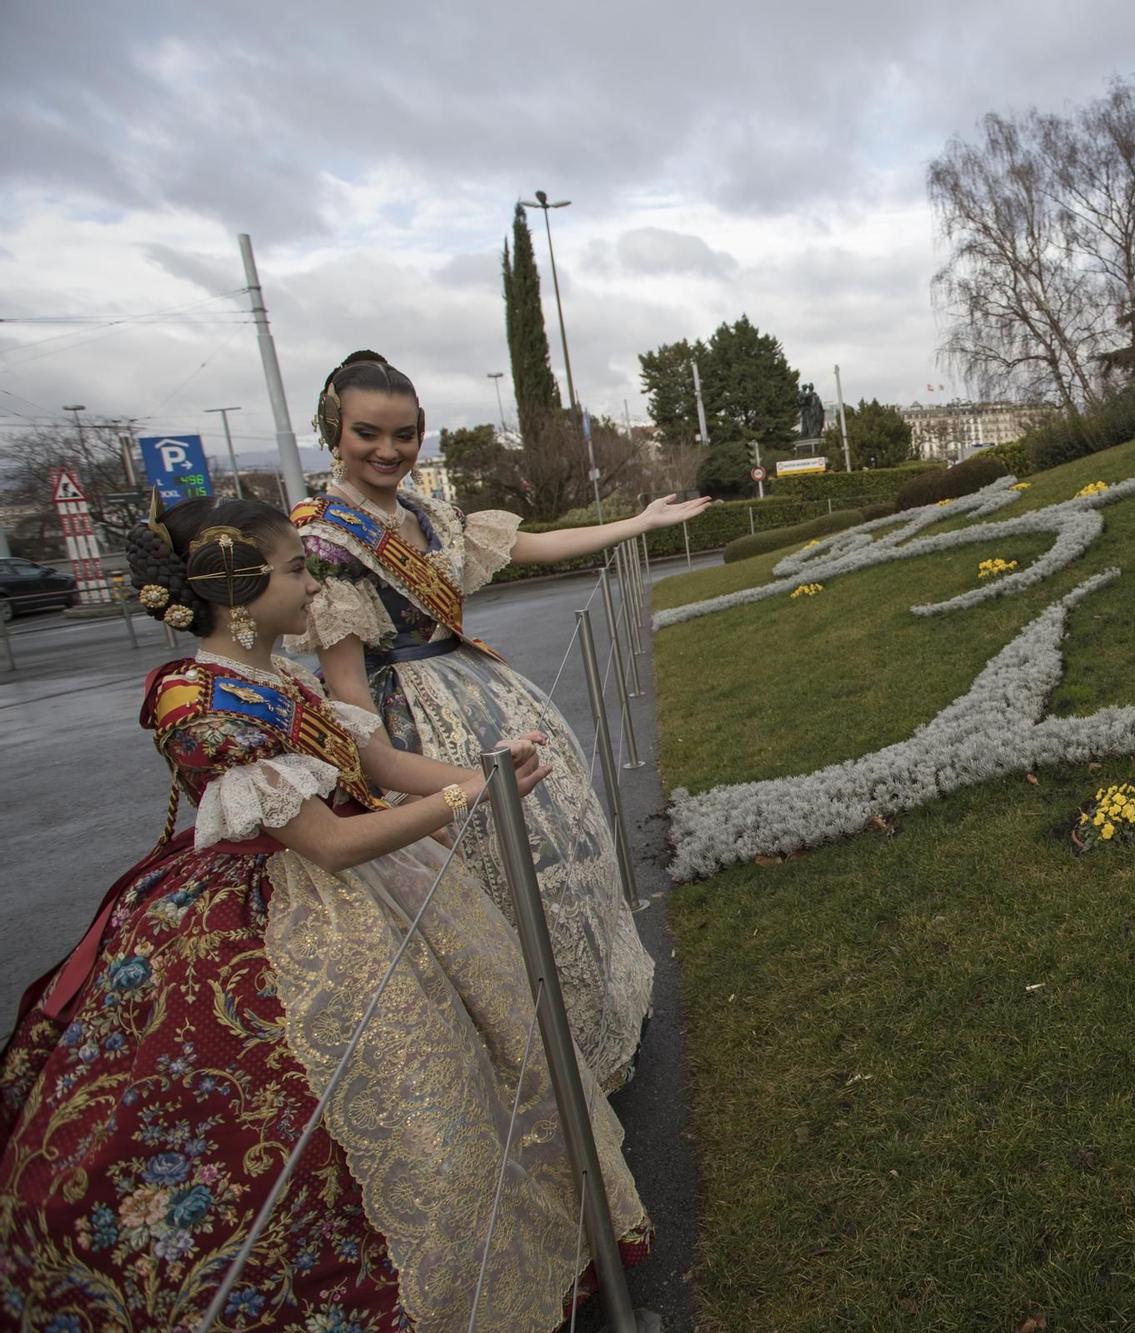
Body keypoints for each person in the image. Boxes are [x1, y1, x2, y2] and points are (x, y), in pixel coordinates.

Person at [0, 496, 650, 1331]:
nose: (314, 586)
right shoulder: (195, 702)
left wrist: (484, 771)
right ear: (236, 586)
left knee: (457, 1083)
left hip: (373, 888)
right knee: (346, 1117)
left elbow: (369, 760)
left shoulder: (277, 675)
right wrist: (467, 794)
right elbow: (328, 844)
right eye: (296, 569)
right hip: (284, 918)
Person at [289, 351, 711, 1093]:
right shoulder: (323, 540)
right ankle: (536, 1080)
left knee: (561, 862)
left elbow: (528, 545)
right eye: (368, 433)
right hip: (413, 729)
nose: (388, 450)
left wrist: (637, 522)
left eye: (405, 433)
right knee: (491, 892)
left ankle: (588, 1041)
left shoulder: (424, 513)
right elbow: (348, 692)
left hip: (483, 691)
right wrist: (408, 794)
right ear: (334, 429)